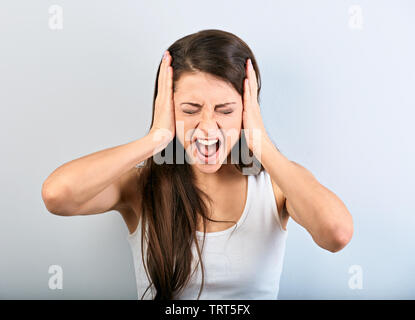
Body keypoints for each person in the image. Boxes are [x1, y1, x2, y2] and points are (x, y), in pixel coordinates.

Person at [41, 29, 353, 300]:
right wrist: (155, 138)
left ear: (248, 111)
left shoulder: (277, 185)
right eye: (190, 109)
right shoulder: (140, 185)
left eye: (225, 110)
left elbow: (336, 233)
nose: (207, 128)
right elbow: (58, 195)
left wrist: (261, 143)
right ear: (168, 109)